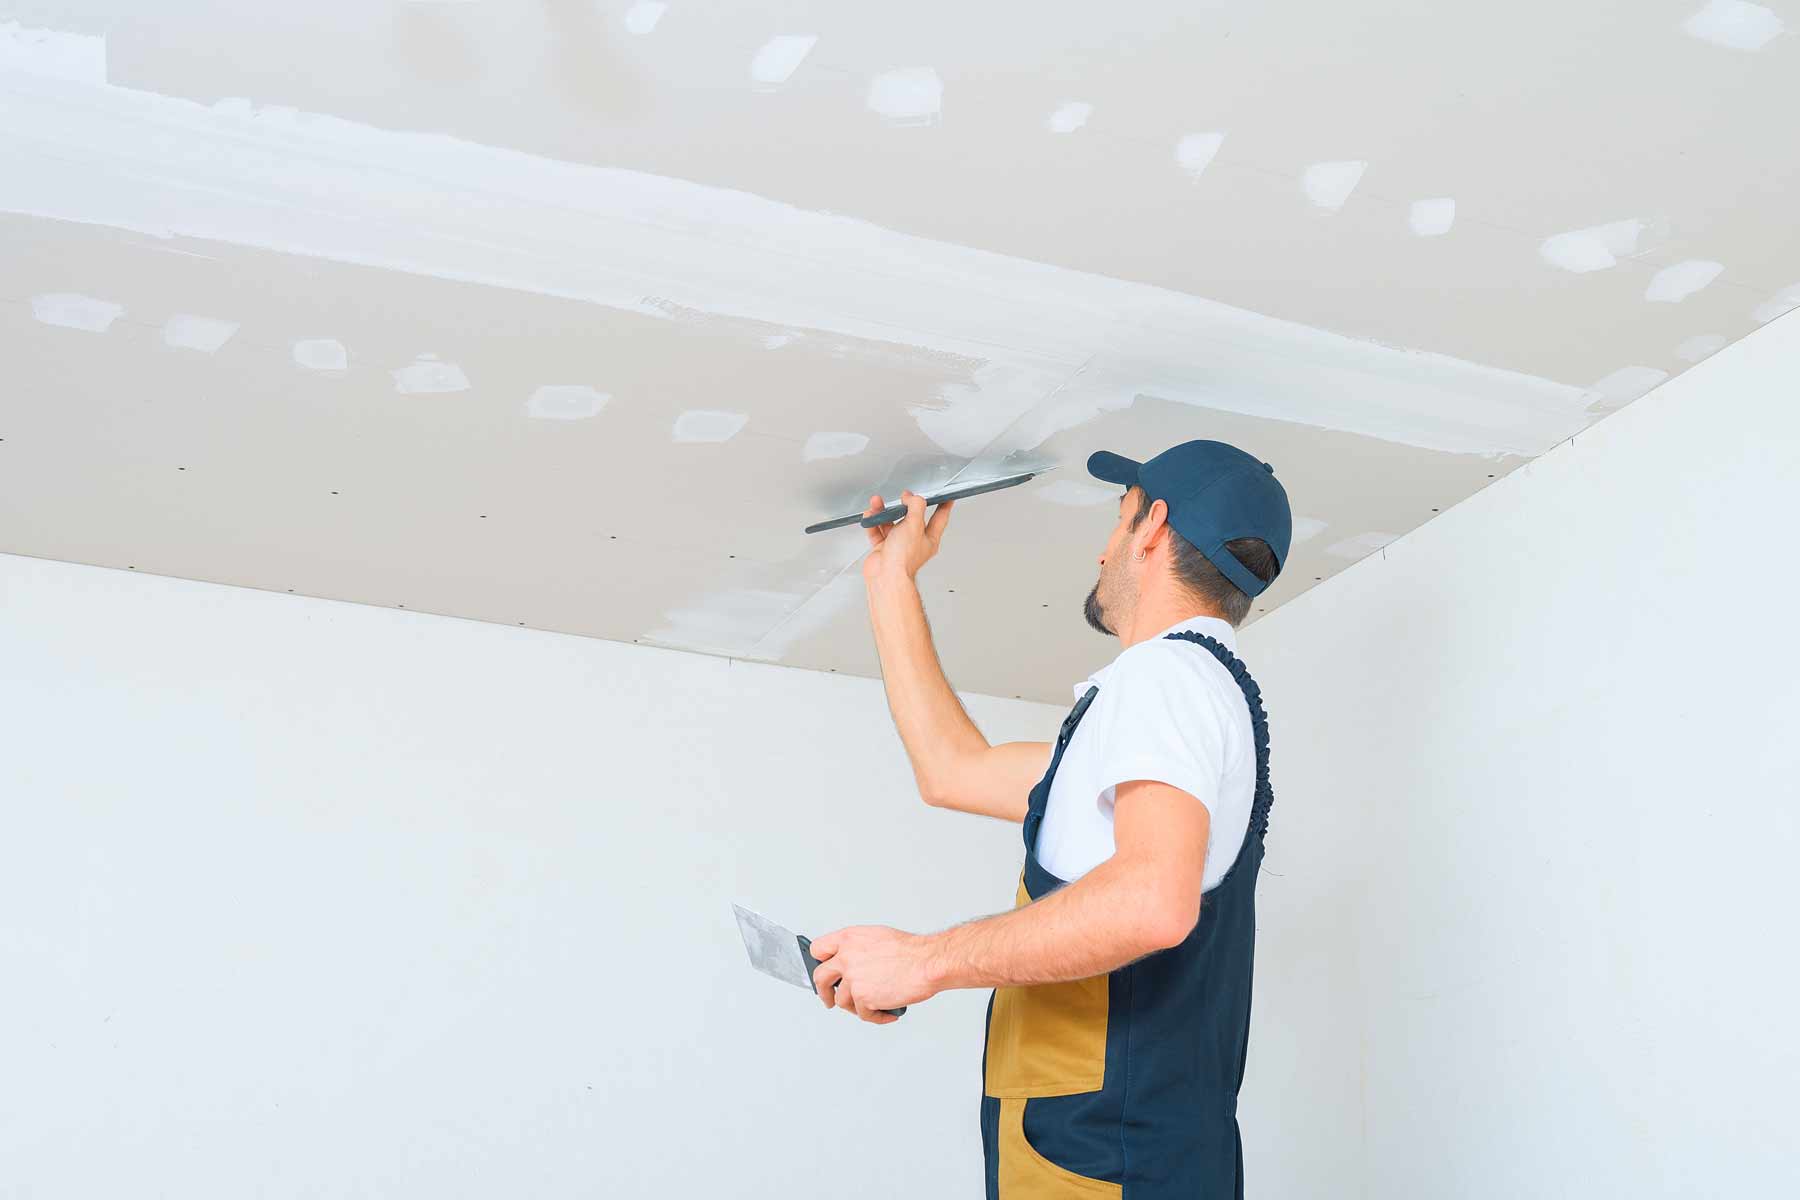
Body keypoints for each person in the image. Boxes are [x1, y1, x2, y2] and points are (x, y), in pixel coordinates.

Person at [808, 440, 1292, 1198]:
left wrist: (923, 961)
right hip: (1102, 1158)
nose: (1103, 551)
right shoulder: (1177, 702)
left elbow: (1151, 903)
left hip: (1108, 1166)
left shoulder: (1165, 678)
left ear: (1154, 527)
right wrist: (888, 576)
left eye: (1118, 519)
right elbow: (952, 770)